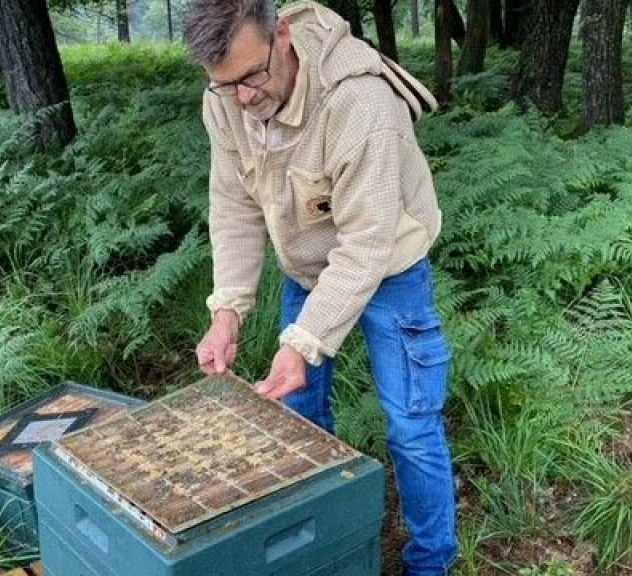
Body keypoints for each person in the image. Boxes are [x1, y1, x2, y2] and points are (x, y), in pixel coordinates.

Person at [187, 1, 456, 574]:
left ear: (281, 36)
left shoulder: (359, 103)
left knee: (411, 425)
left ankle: (430, 562)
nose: (243, 98)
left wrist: (302, 341)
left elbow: (366, 246)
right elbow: (232, 205)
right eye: (225, 85)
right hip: (307, 269)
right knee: (298, 416)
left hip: (390, 265)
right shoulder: (227, 100)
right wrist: (228, 309)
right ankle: (319, 547)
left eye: (252, 77)